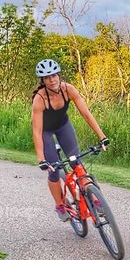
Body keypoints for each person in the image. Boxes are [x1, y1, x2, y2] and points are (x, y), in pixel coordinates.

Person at [31, 59, 109, 221]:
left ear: (59, 75)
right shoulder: (40, 99)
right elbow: (37, 131)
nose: (52, 80)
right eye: (47, 78)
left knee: (77, 163)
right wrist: (41, 159)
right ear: (43, 81)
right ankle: (60, 204)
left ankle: (94, 199)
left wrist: (102, 137)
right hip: (45, 132)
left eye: (54, 75)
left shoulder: (69, 90)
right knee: (53, 170)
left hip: (63, 126)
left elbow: (86, 114)